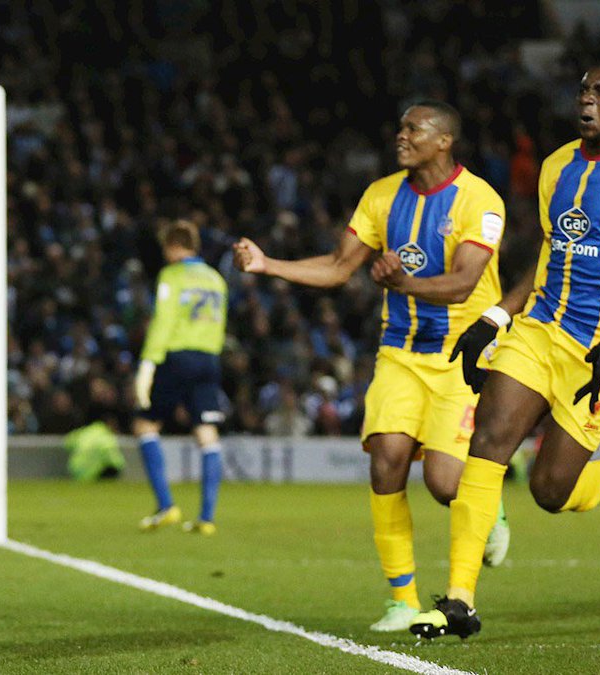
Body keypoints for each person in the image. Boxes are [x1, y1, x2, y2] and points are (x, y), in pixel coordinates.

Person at [410, 62, 600, 640]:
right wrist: (496, 317)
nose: (586, 100)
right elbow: (548, 253)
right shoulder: (555, 166)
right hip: (540, 330)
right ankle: (459, 600)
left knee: (549, 492)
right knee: (489, 441)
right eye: (583, 90)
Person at [234, 100, 511, 632]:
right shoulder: (381, 196)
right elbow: (340, 268)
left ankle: (487, 503)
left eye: (413, 128)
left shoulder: (480, 200)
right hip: (401, 351)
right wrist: (269, 264)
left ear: (444, 140)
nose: (400, 134)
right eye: (401, 125)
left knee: (444, 483)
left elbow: (463, 283)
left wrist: (402, 283)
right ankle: (402, 599)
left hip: (463, 356)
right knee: (385, 460)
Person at [134, 219, 229, 535]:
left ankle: (166, 505)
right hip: (209, 359)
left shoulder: (172, 276)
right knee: (206, 433)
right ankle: (207, 517)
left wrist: (148, 363)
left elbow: (163, 320)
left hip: (177, 357)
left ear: (173, 247)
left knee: (146, 424)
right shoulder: (216, 279)